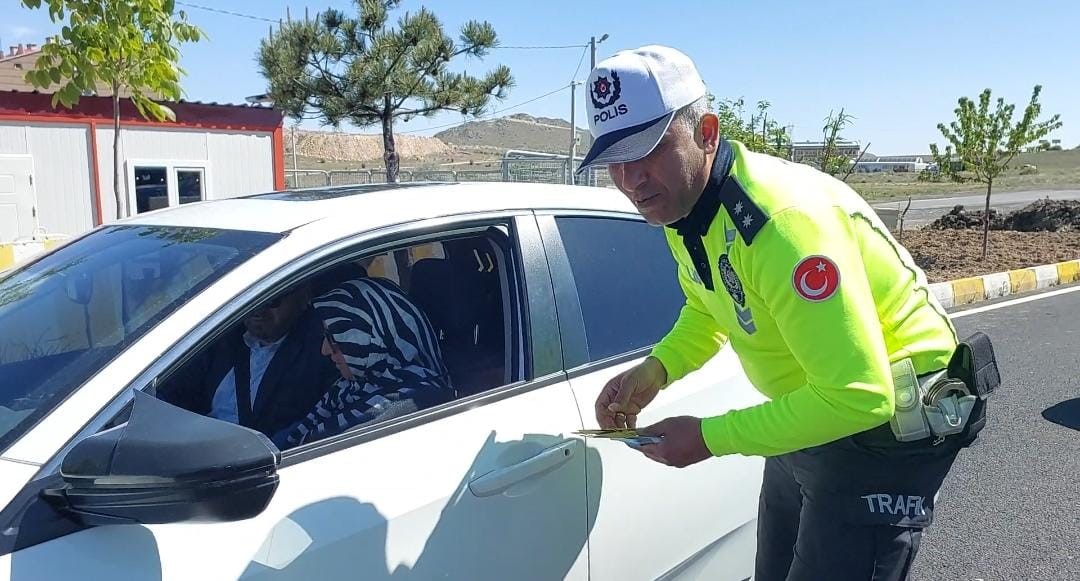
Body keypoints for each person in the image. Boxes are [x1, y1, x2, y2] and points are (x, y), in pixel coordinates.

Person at [576, 45, 996, 581]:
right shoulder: (687, 209)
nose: (630, 179)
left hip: (887, 428)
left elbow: (860, 396)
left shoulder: (782, 223)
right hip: (815, 407)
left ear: (707, 131)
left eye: (648, 150)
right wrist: (656, 370)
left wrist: (708, 437)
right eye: (614, 160)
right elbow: (709, 307)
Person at [272, 276, 455, 449]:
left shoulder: (410, 402)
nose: (325, 350)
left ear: (374, 337)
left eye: (336, 338)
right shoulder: (352, 387)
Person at [160, 282, 337, 440]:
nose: (258, 310)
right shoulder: (221, 338)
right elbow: (172, 392)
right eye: (250, 298)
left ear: (304, 295)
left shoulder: (323, 352)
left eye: (272, 299)